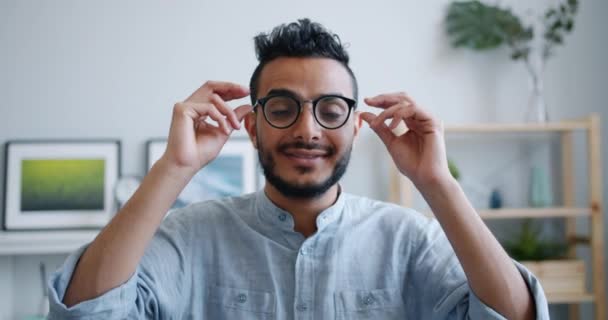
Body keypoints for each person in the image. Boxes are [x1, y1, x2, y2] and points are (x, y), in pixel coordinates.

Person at [48, 19, 549, 319]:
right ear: (253, 126)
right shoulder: (190, 237)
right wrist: (174, 167)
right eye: (283, 107)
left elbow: (516, 317)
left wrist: (437, 184)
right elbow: (86, 312)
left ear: (356, 126)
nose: (307, 130)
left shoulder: (408, 240)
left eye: (330, 110)